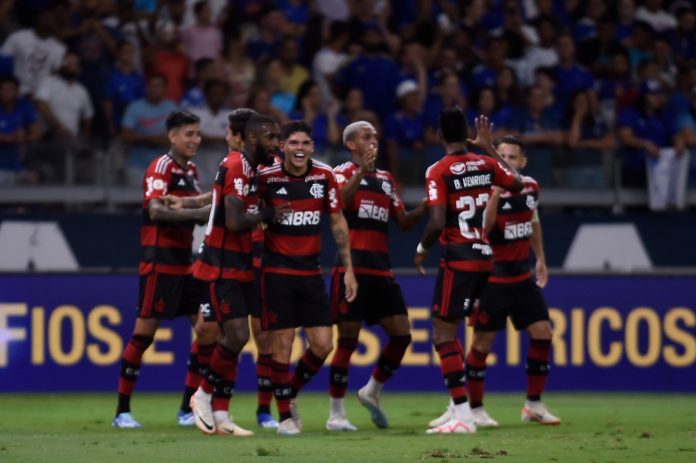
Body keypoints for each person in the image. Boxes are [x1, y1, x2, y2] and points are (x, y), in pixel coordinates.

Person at [431, 135, 561, 429]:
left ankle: (534, 404)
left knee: (543, 334)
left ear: (523, 162)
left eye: (512, 157)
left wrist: (540, 258)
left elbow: (533, 222)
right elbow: (484, 227)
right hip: (492, 279)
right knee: (482, 344)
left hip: (522, 277)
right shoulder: (488, 190)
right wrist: (494, 192)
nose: (506, 160)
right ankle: (473, 408)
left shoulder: (531, 187)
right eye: (500, 155)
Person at [414, 109, 523, 434]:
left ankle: (463, 415)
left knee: (442, 333)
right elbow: (516, 184)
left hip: (457, 257)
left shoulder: (438, 170)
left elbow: (435, 222)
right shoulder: (486, 163)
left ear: (438, 135)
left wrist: (421, 250)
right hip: (485, 258)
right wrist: (488, 148)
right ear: (467, 133)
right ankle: (459, 408)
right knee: (456, 332)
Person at [113, 110, 213, 428]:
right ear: (172, 136)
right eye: (189, 134)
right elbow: (156, 211)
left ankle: (187, 408)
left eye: (197, 134)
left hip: (187, 263)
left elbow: (195, 204)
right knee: (144, 334)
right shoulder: (161, 167)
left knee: (207, 330)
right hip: (159, 262)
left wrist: (206, 205)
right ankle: (122, 412)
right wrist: (197, 213)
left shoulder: (192, 169)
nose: (195, 140)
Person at [189, 114, 288, 436]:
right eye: (271, 137)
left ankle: (220, 415)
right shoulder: (236, 166)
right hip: (221, 265)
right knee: (234, 336)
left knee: (235, 338)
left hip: (239, 264)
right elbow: (232, 220)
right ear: (254, 138)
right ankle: (201, 397)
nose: (277, 143)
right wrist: (268, 214)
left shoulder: (250, 169)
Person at [257, 120, 357, 435]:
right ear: (282, 146)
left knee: (323, 344)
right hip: (277, 272)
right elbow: (247, 214)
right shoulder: (266, 178)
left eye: (305, 143)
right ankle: (285, 416)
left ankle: (290, 391)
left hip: (311, 272)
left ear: (312, 146)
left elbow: (337, 221)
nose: (299, 149)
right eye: (293, 143)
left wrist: (349, 268)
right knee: (282, 344)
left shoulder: (324, 176)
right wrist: (263, 218)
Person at [326, 121, 426, 431]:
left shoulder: (385, 179)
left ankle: (372, 390)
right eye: (366, 136)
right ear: (351, 144)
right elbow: (338, 204)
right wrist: (359, 174)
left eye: (375, 136)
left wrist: (427, 206)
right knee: (347, 340)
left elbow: (403, 222)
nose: (374, 140)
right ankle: (336, 414)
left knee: (402, 335)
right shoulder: (339, 173)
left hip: (381, 270)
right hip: (351, 269)